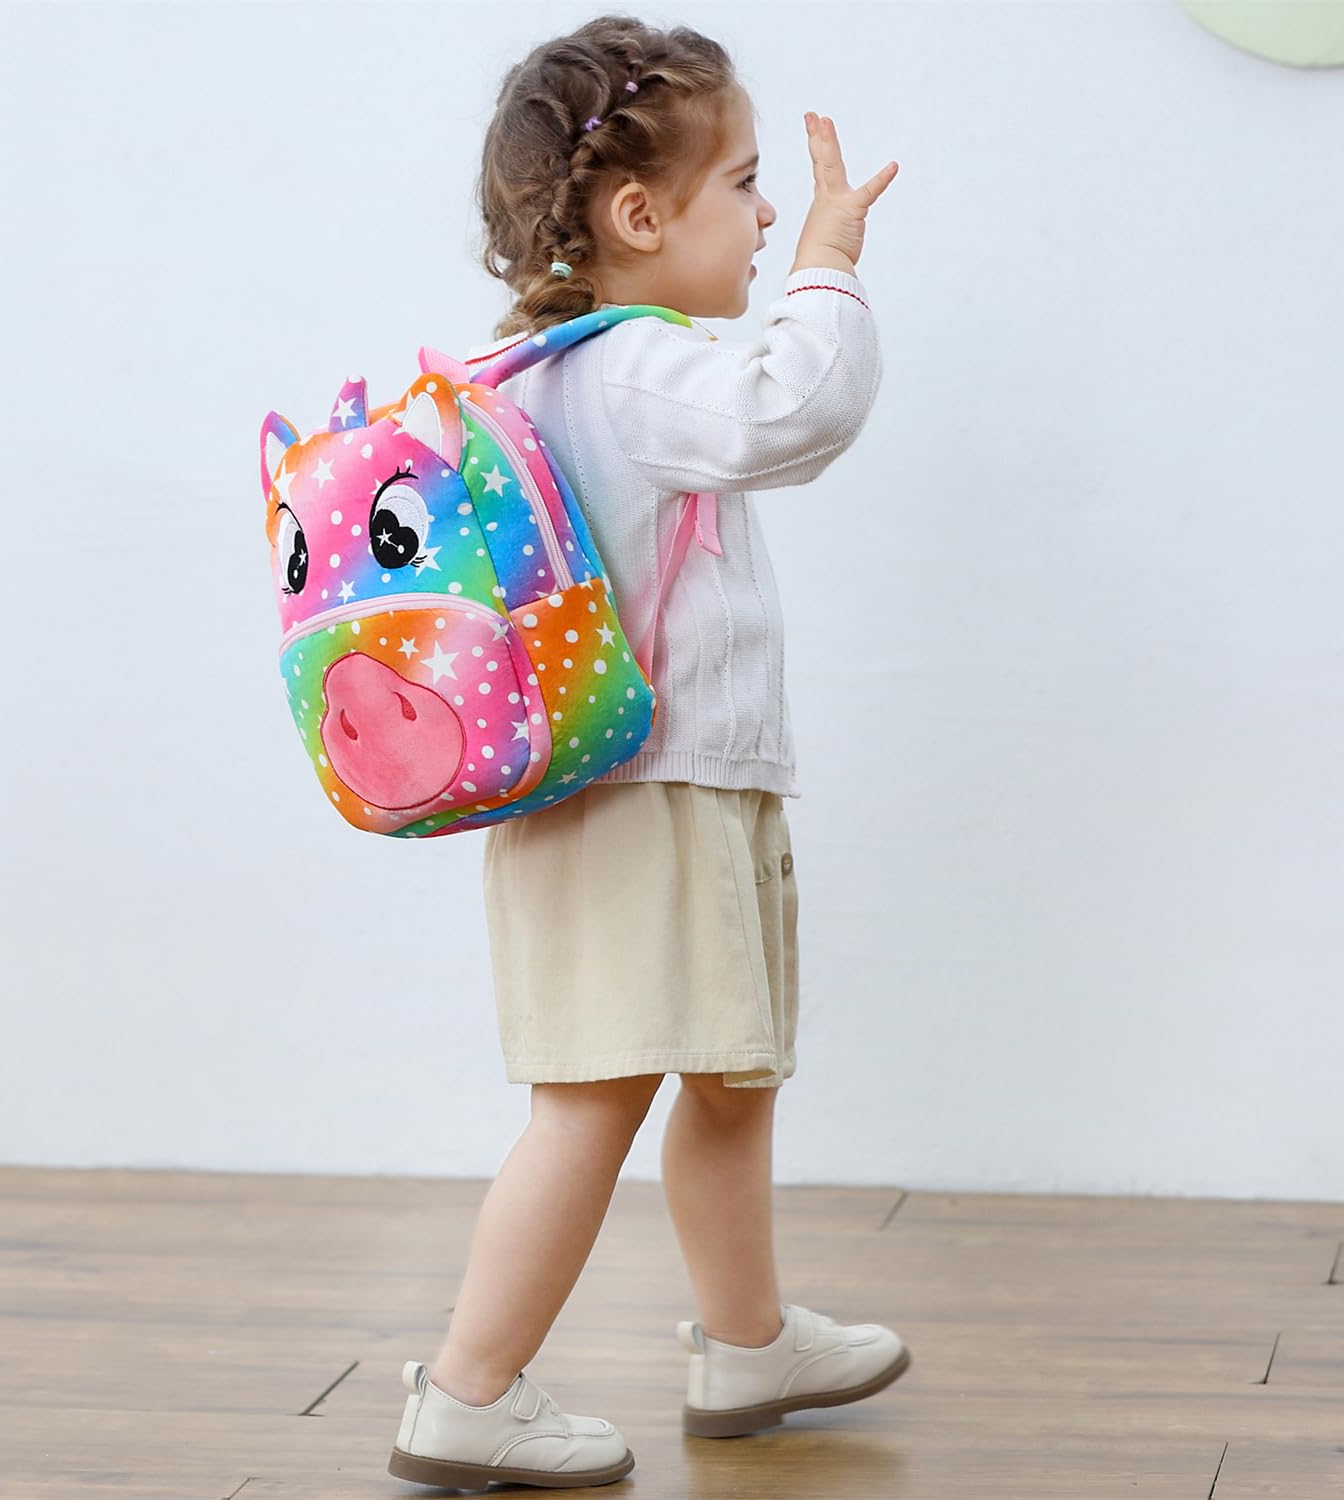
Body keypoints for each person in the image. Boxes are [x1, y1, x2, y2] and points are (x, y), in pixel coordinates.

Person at [388, 15, 906, 1491]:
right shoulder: (628, 367)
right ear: (637, 216)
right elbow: (798, 410)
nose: (765, 212)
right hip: (648, 796)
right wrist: (830, 265)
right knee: (596, 1096)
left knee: (731, 1077)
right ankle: (468, 1392)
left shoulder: (535, 373)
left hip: (664, 788)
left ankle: (747, 1343)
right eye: (741, 184)